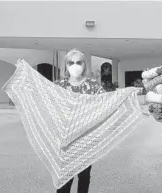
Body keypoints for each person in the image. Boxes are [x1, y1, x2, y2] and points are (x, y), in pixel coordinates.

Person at [54, 48, 105, 193]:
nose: (75, 66)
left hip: (86, 139)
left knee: (84, 177)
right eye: (71, 62)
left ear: (84, 65)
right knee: (64, 178)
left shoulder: (93, 85)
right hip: (66, 139)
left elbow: (106, 103)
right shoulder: (59, 85)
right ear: (65, 65)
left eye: (78, 62)